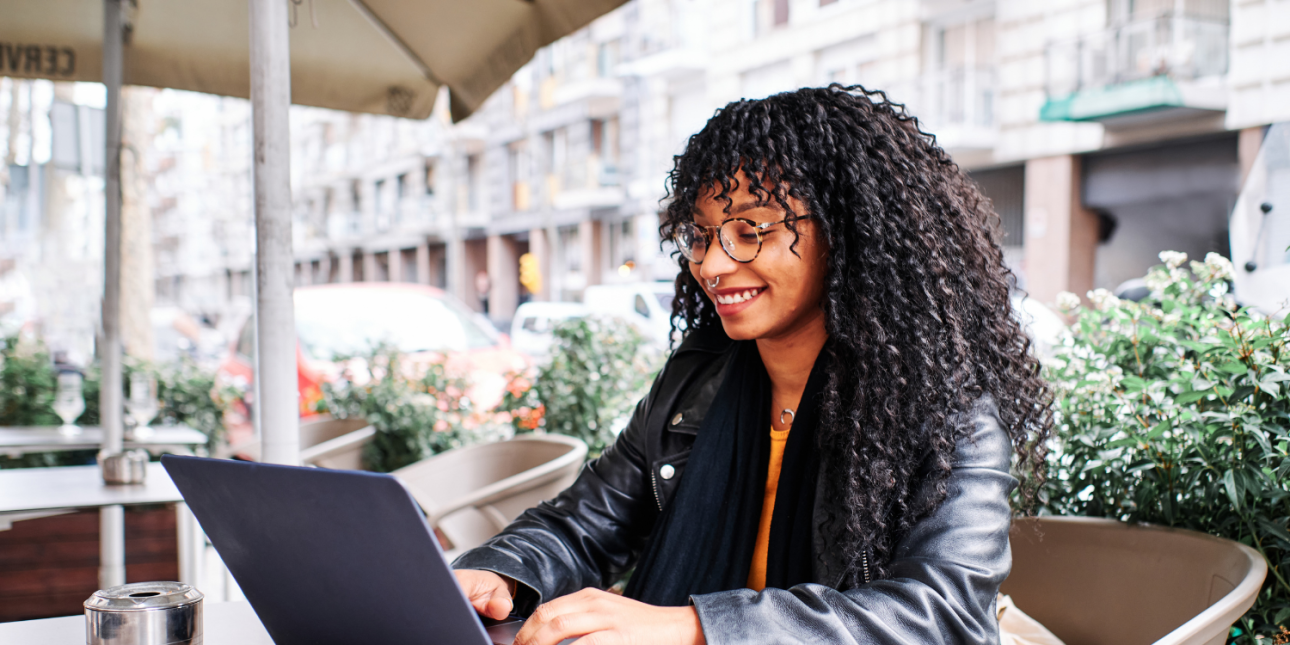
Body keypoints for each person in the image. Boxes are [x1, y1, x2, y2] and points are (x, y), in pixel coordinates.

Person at [453, 85, 1053, 645]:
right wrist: (500, 574)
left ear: (846, 235)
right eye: (703, 233)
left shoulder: (947, 414)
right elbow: (584, 523)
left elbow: (939, 613)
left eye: (750, 229)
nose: (711, 264)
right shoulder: (698, 380)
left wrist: (694, 628)